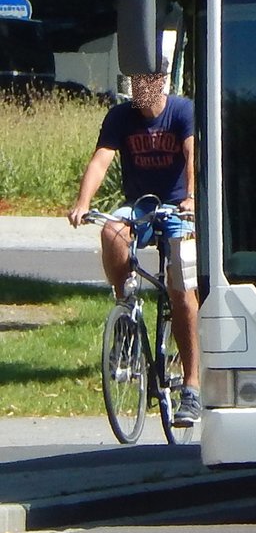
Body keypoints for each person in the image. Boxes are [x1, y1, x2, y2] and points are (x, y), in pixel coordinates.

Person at [67, 64, 201, 426]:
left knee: (181, 291)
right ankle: (125, 306)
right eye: (135, 81)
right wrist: (83, 201)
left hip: (176, 208)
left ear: (162, 82)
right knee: (111, 230)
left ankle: (192, 386)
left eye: (147, 81)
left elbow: (192, 155)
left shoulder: (182, 111)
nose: (139, 88)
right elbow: (101, 160)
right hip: (139, 205)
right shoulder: (120, 117)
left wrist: (190, 197)